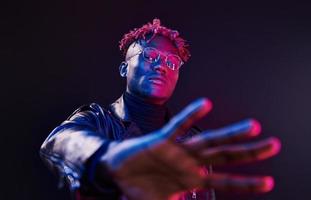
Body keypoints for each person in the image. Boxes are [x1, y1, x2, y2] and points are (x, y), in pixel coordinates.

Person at [40, 19, 281, 200]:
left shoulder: (191, 140)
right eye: (150, 55)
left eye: (171, 62)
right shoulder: (98, 120)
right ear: (124, 69)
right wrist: (104, 159)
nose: (161, 67)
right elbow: (60, 142)